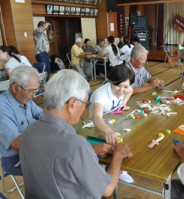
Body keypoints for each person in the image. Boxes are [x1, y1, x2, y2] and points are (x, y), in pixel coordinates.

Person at [19, 69, 133, 198]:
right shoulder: (75, 145)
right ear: (72, 104)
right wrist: (118, 155)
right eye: (85, 103)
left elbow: (57, 158)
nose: (85, 107)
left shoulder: (28, 132)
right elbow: (106, 190)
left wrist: (88, 151)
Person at [90, 64, 135, 183]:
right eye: (117, 85)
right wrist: (107, 130)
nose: (121, 90)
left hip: (112, 121)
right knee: (109, 147)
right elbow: (96, 117)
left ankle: (117, 167)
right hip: (96, 127)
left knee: (123, 140)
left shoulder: (127, 88)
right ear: (110, 82)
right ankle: (113, 170)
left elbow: (130, 91)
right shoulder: (101, 95)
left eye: (125, 86)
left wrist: (123, 104)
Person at [0, 66, 43, 176]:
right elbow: (16, 143)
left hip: (35, 149)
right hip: (15, 158)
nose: (34, 95)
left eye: (36, 90)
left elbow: (43, 116)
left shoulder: (25, 98)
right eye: (31, 91)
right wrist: (46, 140)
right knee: (55, 165)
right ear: (15, 88)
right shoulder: (2, 107)